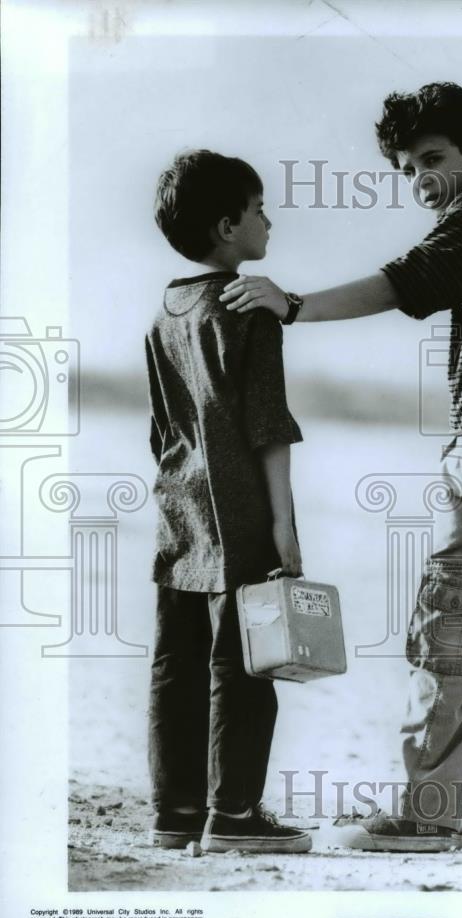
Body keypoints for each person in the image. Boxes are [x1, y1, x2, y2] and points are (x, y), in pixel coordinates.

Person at [221, 83, 462, 852]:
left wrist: (287, 305)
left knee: (451, 625)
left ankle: (426, 817)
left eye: (431, 159)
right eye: (405, 168)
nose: (418, 179)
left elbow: (398, 283)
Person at [145, 149, 311, 854]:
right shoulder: (250, 311)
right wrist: (284, 529)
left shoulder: (165, 313)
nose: (268, 220)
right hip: (240, 512)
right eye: (257, 209)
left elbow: (161, 430)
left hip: (177, 513)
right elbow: (268, 429)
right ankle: (235, 818)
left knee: (175, 663)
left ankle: (176, 813)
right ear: (225, 226)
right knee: (243, 668)